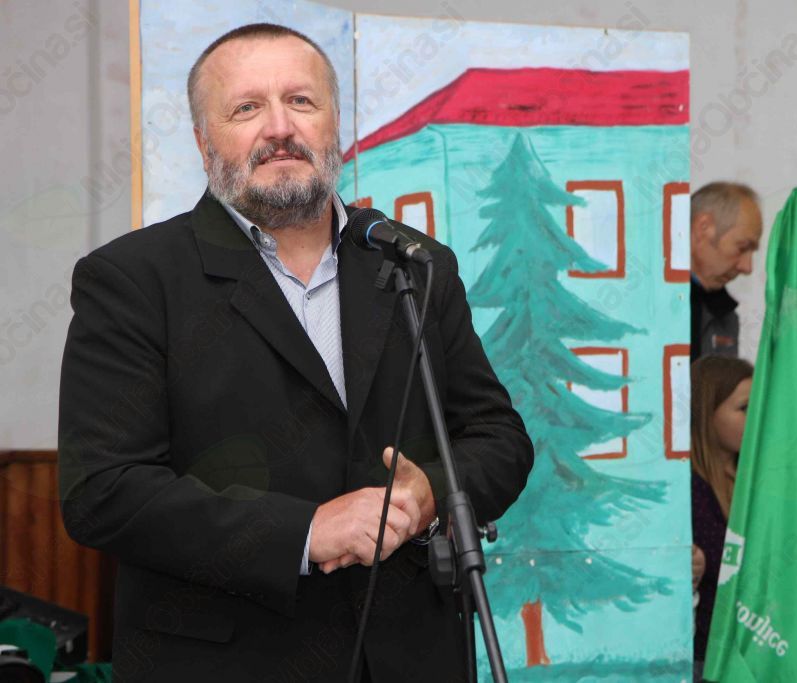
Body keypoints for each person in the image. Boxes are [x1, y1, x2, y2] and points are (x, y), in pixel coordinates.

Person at [57, 23, 534, 682]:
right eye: (247, 108)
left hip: (411, 656)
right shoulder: (133, 279)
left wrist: (428, 492)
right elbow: (103, 491)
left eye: (301, 102)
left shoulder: (414, 263)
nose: (280, 128)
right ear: (202, 141)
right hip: (227, 663)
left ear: (335, 125)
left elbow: (498, 438)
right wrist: (306, 532)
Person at [689, 355, 754, 678]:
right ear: (706, 412)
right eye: (745, 408)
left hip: (755, 649)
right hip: (706, 656)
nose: (757, 417)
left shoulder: (756, 479)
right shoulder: (688, 488)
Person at [689, 182, 763, 360]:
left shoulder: (725, 315)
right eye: (742, 248)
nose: (747, 267)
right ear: (703, 228)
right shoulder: (644, 300)